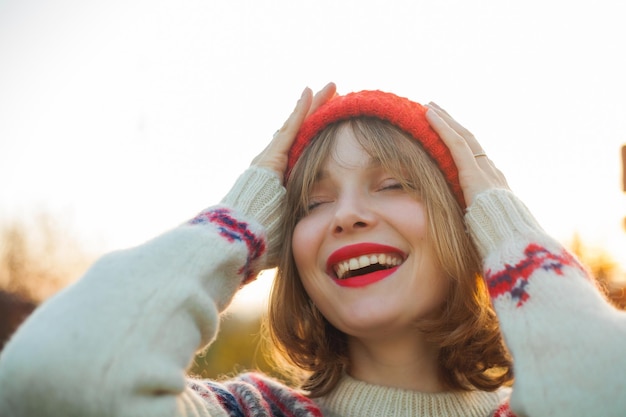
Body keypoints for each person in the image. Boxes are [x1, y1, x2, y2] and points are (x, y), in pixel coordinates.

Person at [0, 83, 624, 417]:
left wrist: (506, 229)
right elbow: (59, 379)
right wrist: (239, 220)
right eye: (312, 204)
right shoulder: (245, 414)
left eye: (392, 184)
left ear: (470, 231)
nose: (347, 214)